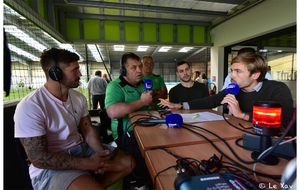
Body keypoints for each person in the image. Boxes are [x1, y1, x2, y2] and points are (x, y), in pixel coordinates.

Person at [14, 48, 134, 190]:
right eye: (75, 70)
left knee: (129, 163)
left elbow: (88, 129)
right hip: (51, 168)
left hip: (80, 149)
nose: (80, 74)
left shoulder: (78, 98)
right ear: (55, 73)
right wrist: (88, 164)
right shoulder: (31, 106)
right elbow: (38, 158)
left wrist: (100, 154)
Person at [159, 52, 294, 130]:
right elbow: (210, 101)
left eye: (237, 71)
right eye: (232, 71)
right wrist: (180, 105)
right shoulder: (234, 89)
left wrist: (242, 115)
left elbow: (281, 124)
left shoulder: (278, 89)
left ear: (255, 74)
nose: (231, 76)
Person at [105, 52, 153, 189]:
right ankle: (139, 185)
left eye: (140, 66)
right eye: (134, 67)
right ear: (123, 70)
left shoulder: (143, 84)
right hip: (127, 134)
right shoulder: (115, 86)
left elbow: (149, 107)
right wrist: (141, 102)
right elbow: (112, 112)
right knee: (143, 158)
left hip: (147, 128)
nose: (139, 70)